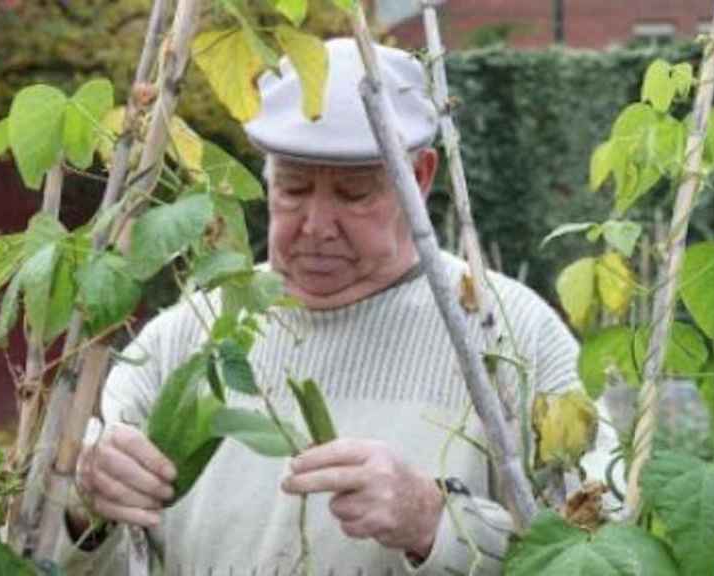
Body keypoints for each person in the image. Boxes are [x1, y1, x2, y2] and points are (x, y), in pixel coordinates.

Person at [59, 38, 617, 574]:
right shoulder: (188, 335)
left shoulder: (505, 331)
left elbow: (599, 547)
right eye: (294, 189)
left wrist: (435, 522)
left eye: (354, 194)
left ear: (419, 177)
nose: (317, 226)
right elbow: (62, 556)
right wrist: (85, 505)